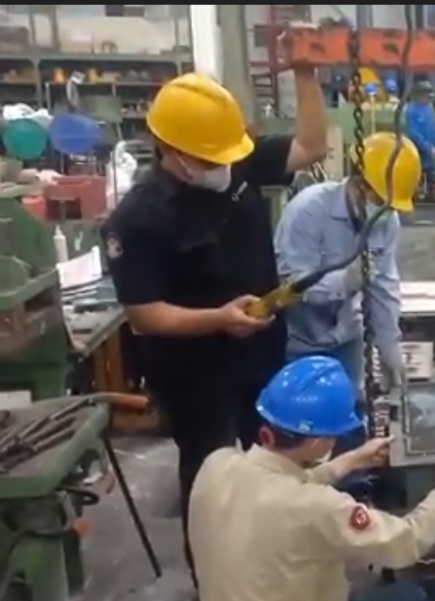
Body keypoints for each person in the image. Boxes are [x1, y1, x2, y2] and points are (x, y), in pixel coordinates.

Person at [100, 67, 329, 578]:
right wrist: (217, 320)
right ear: (170, 150)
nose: (220, 167)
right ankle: (215, 579)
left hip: (261, 357)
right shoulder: (138, 220)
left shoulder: (234, 160)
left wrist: (306, 73)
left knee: (275, 464)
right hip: (196, 375)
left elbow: (312, 145)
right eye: (206, 159)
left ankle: (270, 563)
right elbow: (144, 312)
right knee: (210, 480)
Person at [188, 356, 435, 601]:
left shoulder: (215, 465)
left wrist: (352, 460)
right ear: (319, 442)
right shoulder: (322, 508)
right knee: (415, 594)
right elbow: (406, 542)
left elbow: (283, 485)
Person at [274, 132, 419, 493]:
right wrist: (346, 280)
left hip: (346, 337)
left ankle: (352, 496)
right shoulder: (309, 211)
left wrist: (389, 346)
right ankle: (301, 497)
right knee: (301, 431)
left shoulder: (387, 221)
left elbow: (383, 286)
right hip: (298, 342)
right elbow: (292, 287)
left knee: (347, 418)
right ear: (356, 181)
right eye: (376, 199)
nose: (380, 210)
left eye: (388, 204)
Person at [404, 81, 435, 200]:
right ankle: (414, 200)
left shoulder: (428, 109)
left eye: (430, 97)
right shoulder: (411, 111)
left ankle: (432, 200)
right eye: (427, 97)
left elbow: (432, 130)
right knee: (416, 178)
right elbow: (413, 134)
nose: (429, 100)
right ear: (419, 95)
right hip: (417, 151)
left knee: (432, 179)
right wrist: (428, 148)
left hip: (429, 153)